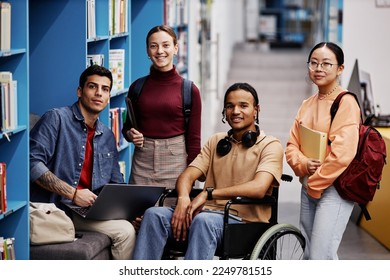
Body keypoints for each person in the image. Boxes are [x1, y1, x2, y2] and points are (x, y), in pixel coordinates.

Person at [132, 82, 284, 260]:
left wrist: (208, 194)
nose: (235, 111)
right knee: (153, 215)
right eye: (230, 106)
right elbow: (187, 176)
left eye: (243, 106)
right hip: (204, 215)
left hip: (243, 224)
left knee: (203, 222)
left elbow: (258, 188)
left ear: (256, 109)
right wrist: (182, 200)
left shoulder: (270, 145)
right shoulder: (216, 141)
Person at [30, 65, 136, 260]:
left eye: (105, 89)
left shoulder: (107, 135)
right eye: (92, 86)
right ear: (80, 91)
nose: (99, 93)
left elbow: (116, 182)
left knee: (135, 223)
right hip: (58, 209)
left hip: (89, 210)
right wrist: (73, 193)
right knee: (125, 231)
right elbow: (31, 164)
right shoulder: (56, 119)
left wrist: (129, 210)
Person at [285, 42, 361, 260]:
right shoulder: (307, 103)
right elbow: (292, 146)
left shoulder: (346, 103)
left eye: (326, 64)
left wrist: (314, 183)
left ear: (340, 69)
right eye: (314, 63)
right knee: (311, 254)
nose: (318, 68)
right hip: (309, 185)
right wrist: (303, 165)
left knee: (320, 256)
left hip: (334, 189)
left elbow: (342, 155)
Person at [121, 25, 202, 191]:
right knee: (138, 214)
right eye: (153, 46)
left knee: (172, 214)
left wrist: (190, 180)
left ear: (176, 48)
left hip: (176, 163)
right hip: (142, 161)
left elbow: (194, 141)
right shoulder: (136, 87)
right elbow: (127, 128)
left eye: (166, 45)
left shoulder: (189, 90)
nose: (160, 51)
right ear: (147, 51)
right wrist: (130, 135)